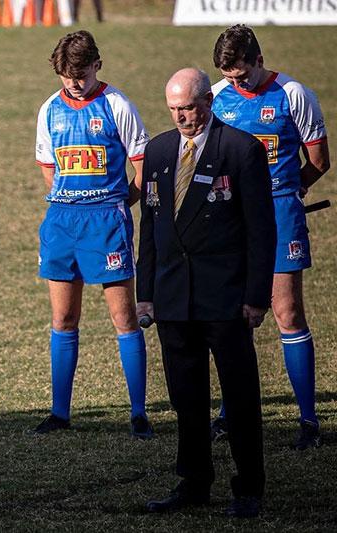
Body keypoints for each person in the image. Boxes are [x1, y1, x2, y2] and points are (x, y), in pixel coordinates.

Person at [137, 68, 275, 518]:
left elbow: (261, 229)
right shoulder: (157, 151)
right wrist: (146, 292)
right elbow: (151, 229)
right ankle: (193, 482)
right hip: (174, 298)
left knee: (239, 395)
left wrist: (257, 296)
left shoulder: (240, 149)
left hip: (226, 298)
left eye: (190, 108)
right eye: (175, 109)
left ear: (208, 102)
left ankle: (248, 487)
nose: (182, 118)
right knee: (185, 396)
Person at [209, 24, 330, 450]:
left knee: (286, 312)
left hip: (280, 214)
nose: (236, 83)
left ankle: (308, 419)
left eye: (242, 75)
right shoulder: (217, 100)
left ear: (259, 61)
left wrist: (289, 192)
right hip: (231, 218)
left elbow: (318, 161)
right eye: (229, 78)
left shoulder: (294, 94)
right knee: (228, 315)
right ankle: (229, 412)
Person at [31, 31, 154, 438]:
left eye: (80, 75)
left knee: (124, 317)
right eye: (67, 76)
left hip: (106, 221)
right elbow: (49, 170)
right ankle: (60, 413)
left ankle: (139, 414)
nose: (74, 83)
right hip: (62, 222)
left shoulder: (117, 105)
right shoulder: (50, 109)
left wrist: (117, 203)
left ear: (97, 65)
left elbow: (143, 169)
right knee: (63, 318)